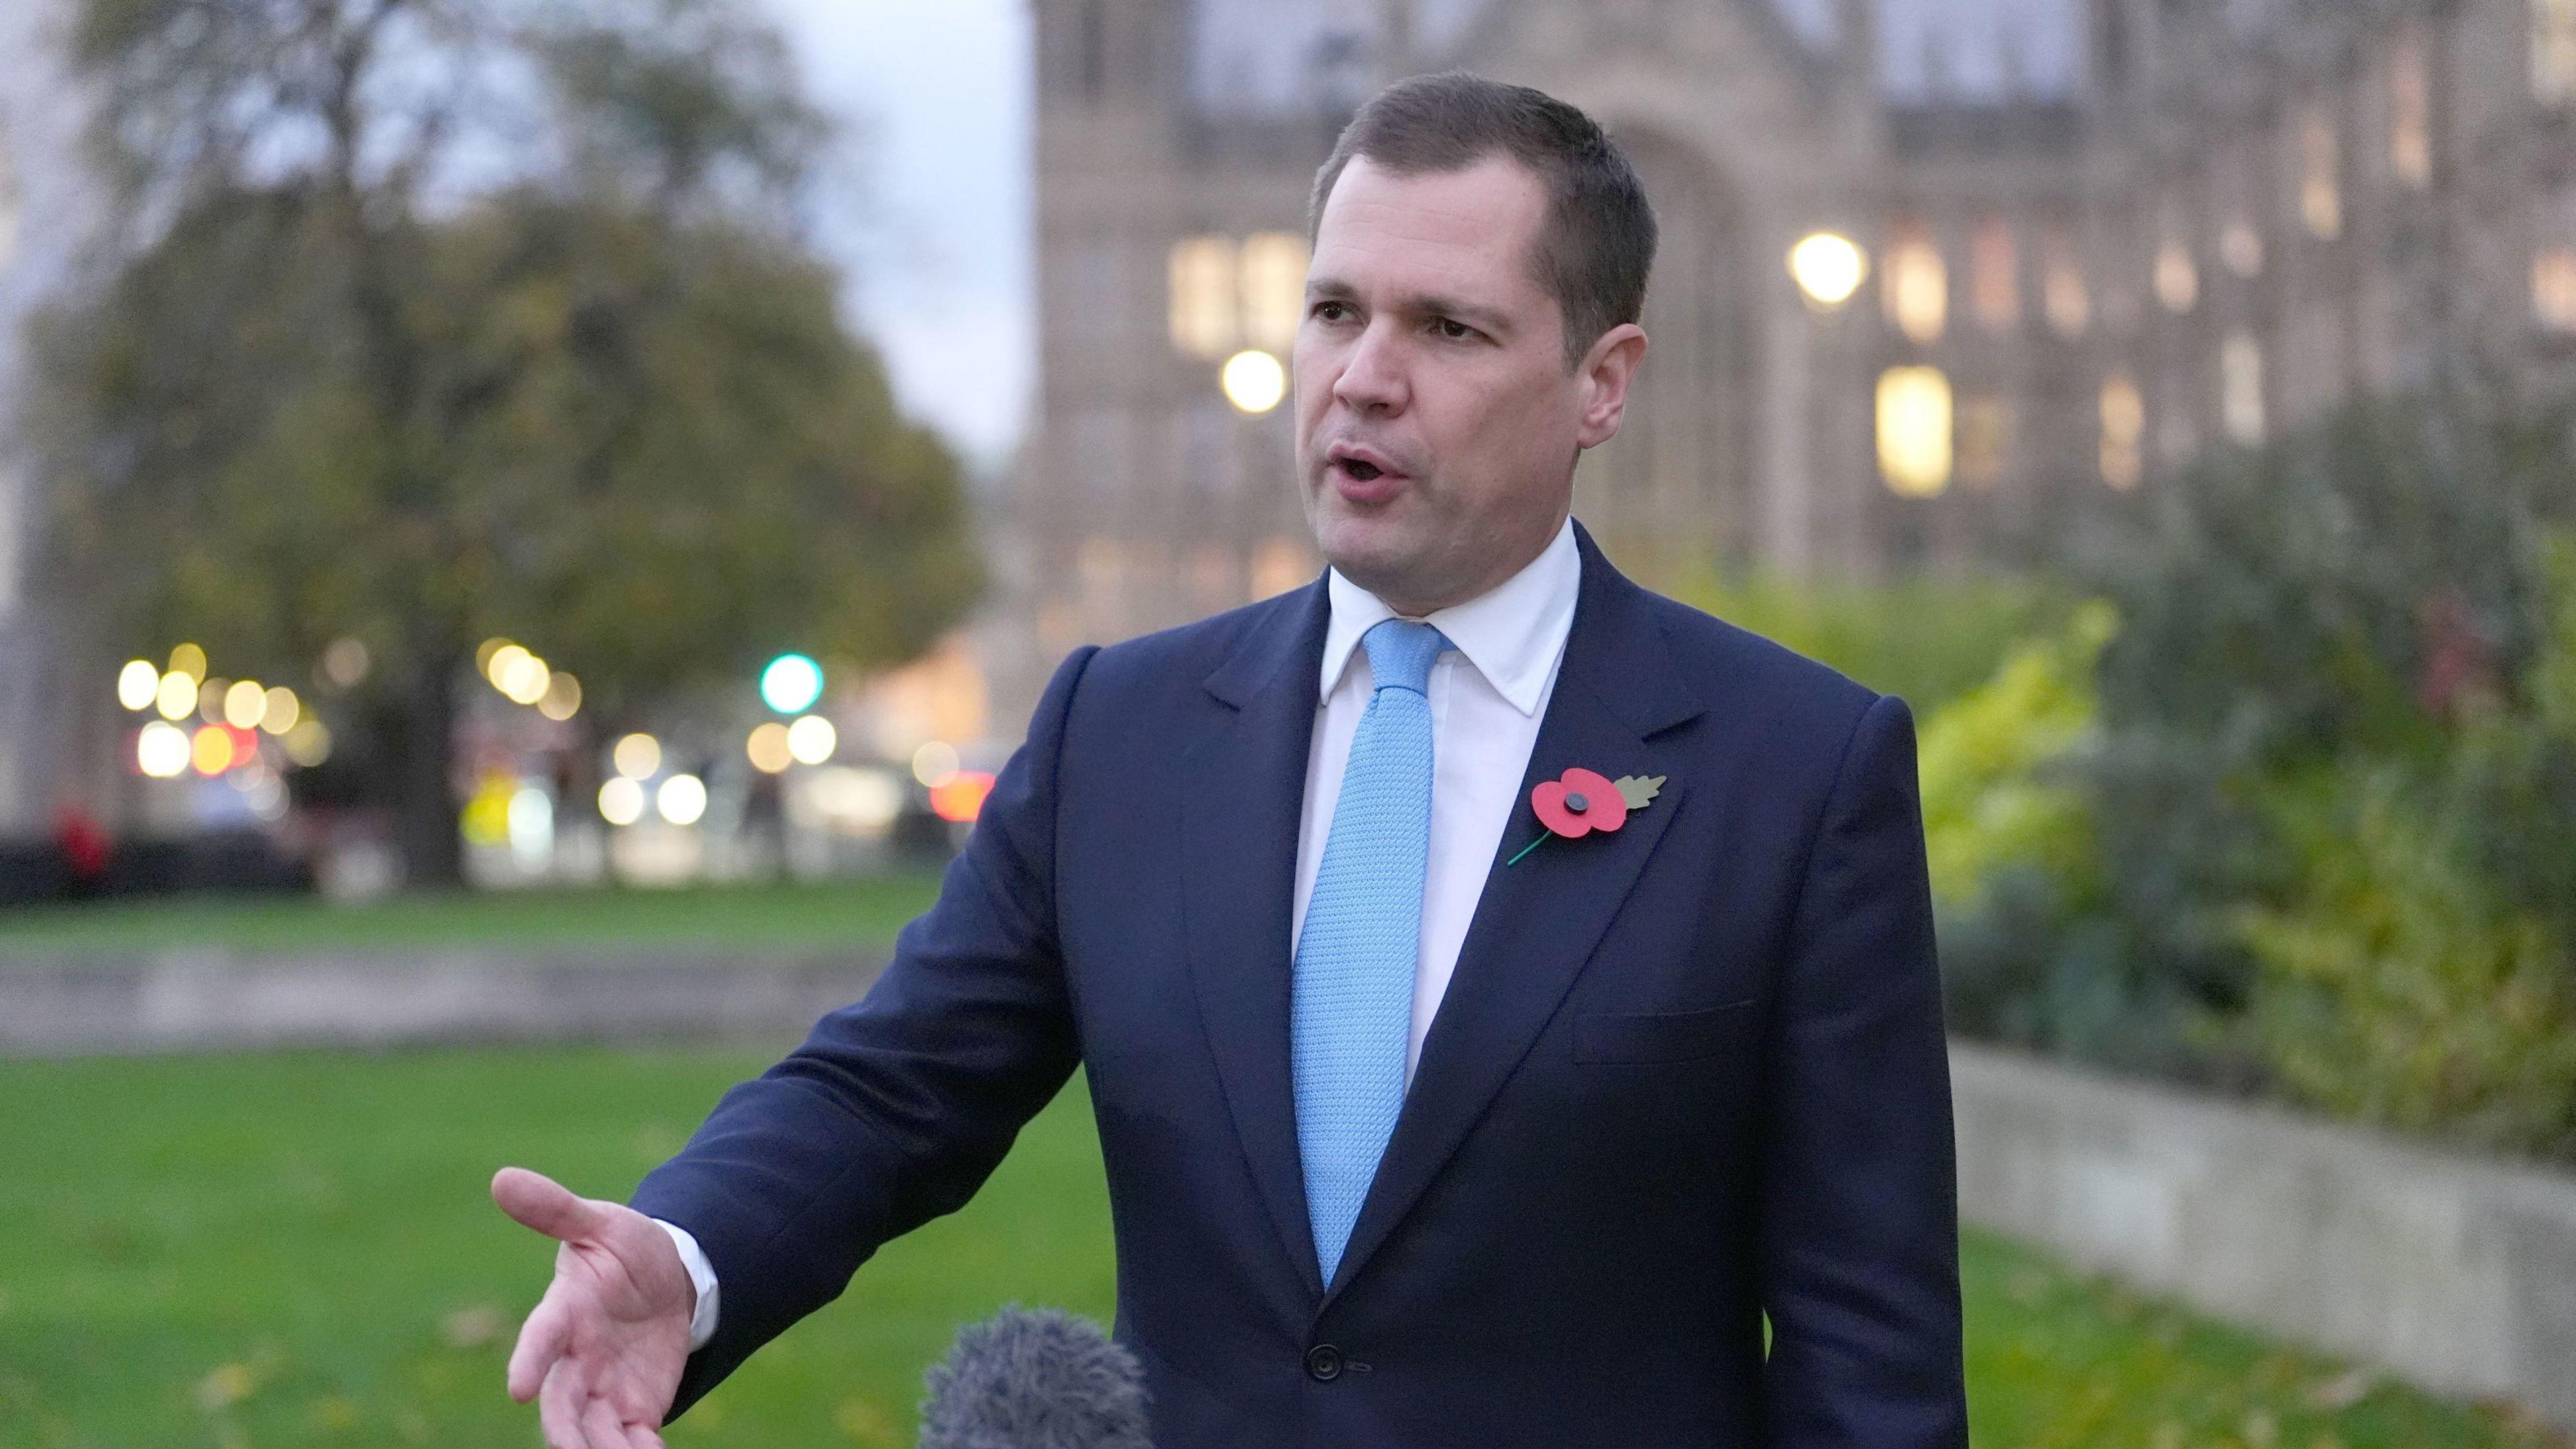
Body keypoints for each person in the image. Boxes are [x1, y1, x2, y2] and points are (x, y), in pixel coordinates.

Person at [494, 72, 1967, 1448]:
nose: (1363, 380)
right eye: (1335, 312)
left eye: (1448, 329)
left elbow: (1869, 1341)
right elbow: (890, 1089)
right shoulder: (1117, 732)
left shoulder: (1797, 768)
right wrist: (688, 1261)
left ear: (1603, 382)